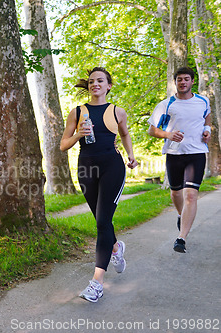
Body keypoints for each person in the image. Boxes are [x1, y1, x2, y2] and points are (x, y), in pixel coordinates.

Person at [60, 67, 138, 302]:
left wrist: (131, 155)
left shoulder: (118, 112)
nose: (95, 84)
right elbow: (64, 145)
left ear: (108, 85)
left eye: (100, 81)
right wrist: (78, 135)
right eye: (92, 81)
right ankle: (115, 248)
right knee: (101, 220)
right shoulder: (77, 112)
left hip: (112, 166)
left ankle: (97, 283)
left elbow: (124, 134)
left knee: (103, 222)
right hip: (86, 167)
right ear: (89, 86)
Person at [147, 66, 211, 253]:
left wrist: (208, 131)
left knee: (190, 195)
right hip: (174, 155)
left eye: (186, 79)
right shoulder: (166, 105)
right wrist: (168, 134)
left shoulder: (203, 101)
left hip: (197, 153)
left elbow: (207, 119)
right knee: (176, 193)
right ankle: (180, 214)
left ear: (192, 81)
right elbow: (152, 131)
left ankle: (181, 238)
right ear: (175, 82)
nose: (182, 82)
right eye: (179, 79)